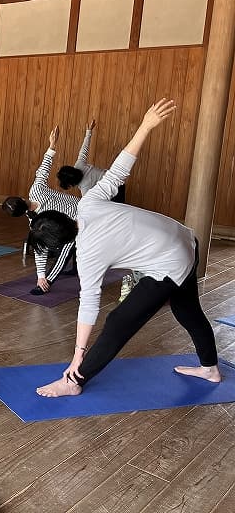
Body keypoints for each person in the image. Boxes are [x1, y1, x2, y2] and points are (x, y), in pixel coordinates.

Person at [29, 98, 220, 398]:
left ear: (60, 243)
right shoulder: (89, 202)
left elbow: (89, 303)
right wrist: (145, 125)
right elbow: (119, 170)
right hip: (187, 240)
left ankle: (74, 381)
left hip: (171, 261)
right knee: (188, 310)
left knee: (118, 321)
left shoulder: (88, 255)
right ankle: (210, 367)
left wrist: (79, 354)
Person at [2, 125, 79, 294]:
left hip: (79, 220)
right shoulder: (35, 191)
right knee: (66, 244)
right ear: (22, 198)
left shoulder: (38, 221)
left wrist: (41, 275)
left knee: (66, 247)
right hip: (83, 206)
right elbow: (43, 170)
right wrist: (52, 145)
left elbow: (40, 250)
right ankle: (66, 272)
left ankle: (46, 282)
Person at [57, 119, 126, 202]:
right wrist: (88, 131)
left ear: (71, 184)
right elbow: (84, 149)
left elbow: (89, 204)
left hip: (114, 191)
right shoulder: (79, 165)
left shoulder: (85, 189)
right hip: (117, 179)